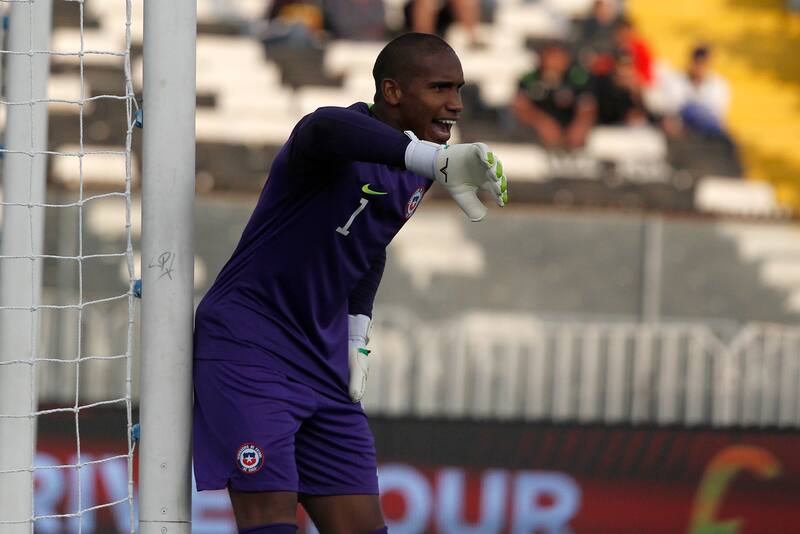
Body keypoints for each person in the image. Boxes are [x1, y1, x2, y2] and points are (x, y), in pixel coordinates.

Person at [192, 33, 507, 534]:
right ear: (393, 91)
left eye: (460, 88)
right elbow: (321, 127)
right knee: (270, 520)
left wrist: (358, 332)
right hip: (250, 345)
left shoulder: (420, 165)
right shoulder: (339, 139)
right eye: (441, 87)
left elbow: (369, 244)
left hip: (322, 359)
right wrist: (429, 160)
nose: (456, 104)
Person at [513, 41, 595, 149]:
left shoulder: (578, 79)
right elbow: (520, 106)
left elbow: (587, 107)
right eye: (552, 56)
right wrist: (541, 122)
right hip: (536, 134)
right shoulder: (529, 79)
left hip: (569, 133)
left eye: (560, 57)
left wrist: (579, 126)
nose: (555, 62)